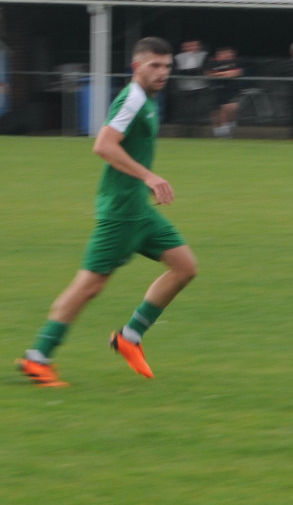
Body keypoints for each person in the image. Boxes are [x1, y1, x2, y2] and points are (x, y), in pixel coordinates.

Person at [16, 37, 198, 387]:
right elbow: (103, 144)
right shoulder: (131, 98)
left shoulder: (148, 99)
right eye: (154, 66)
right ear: (136, 67)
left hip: (139, 211)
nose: (162, 73)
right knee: (89, 285)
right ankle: (38, 357)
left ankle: (130, 337)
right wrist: (148, 176)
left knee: (185, 267)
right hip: (121, 213)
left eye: (167, 66)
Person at [172, 39, 210, 134]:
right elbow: (177, 71)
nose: (191, 48)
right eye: (188, 46)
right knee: (186, 110)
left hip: (200, 86)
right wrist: (192, 71)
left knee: (197, 110)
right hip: (184, 87)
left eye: (193, 46)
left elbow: (204, 70)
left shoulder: (204, 55)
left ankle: (196, 129)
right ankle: (185, 129)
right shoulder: (178, 57)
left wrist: (189, 71)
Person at [205, 46, 244, 138]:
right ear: (219, 55)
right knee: (216, 114)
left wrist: (220, 74)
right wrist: (222, 74)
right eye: (224, 54)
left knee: (228, 109)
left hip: (232, 90)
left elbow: (235, 73)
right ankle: (219, 136)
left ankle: (228, 134)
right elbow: (209, 73)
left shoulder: (237, 62)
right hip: (216, 90)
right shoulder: (212, 62)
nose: (226, 56)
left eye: (228, 54)